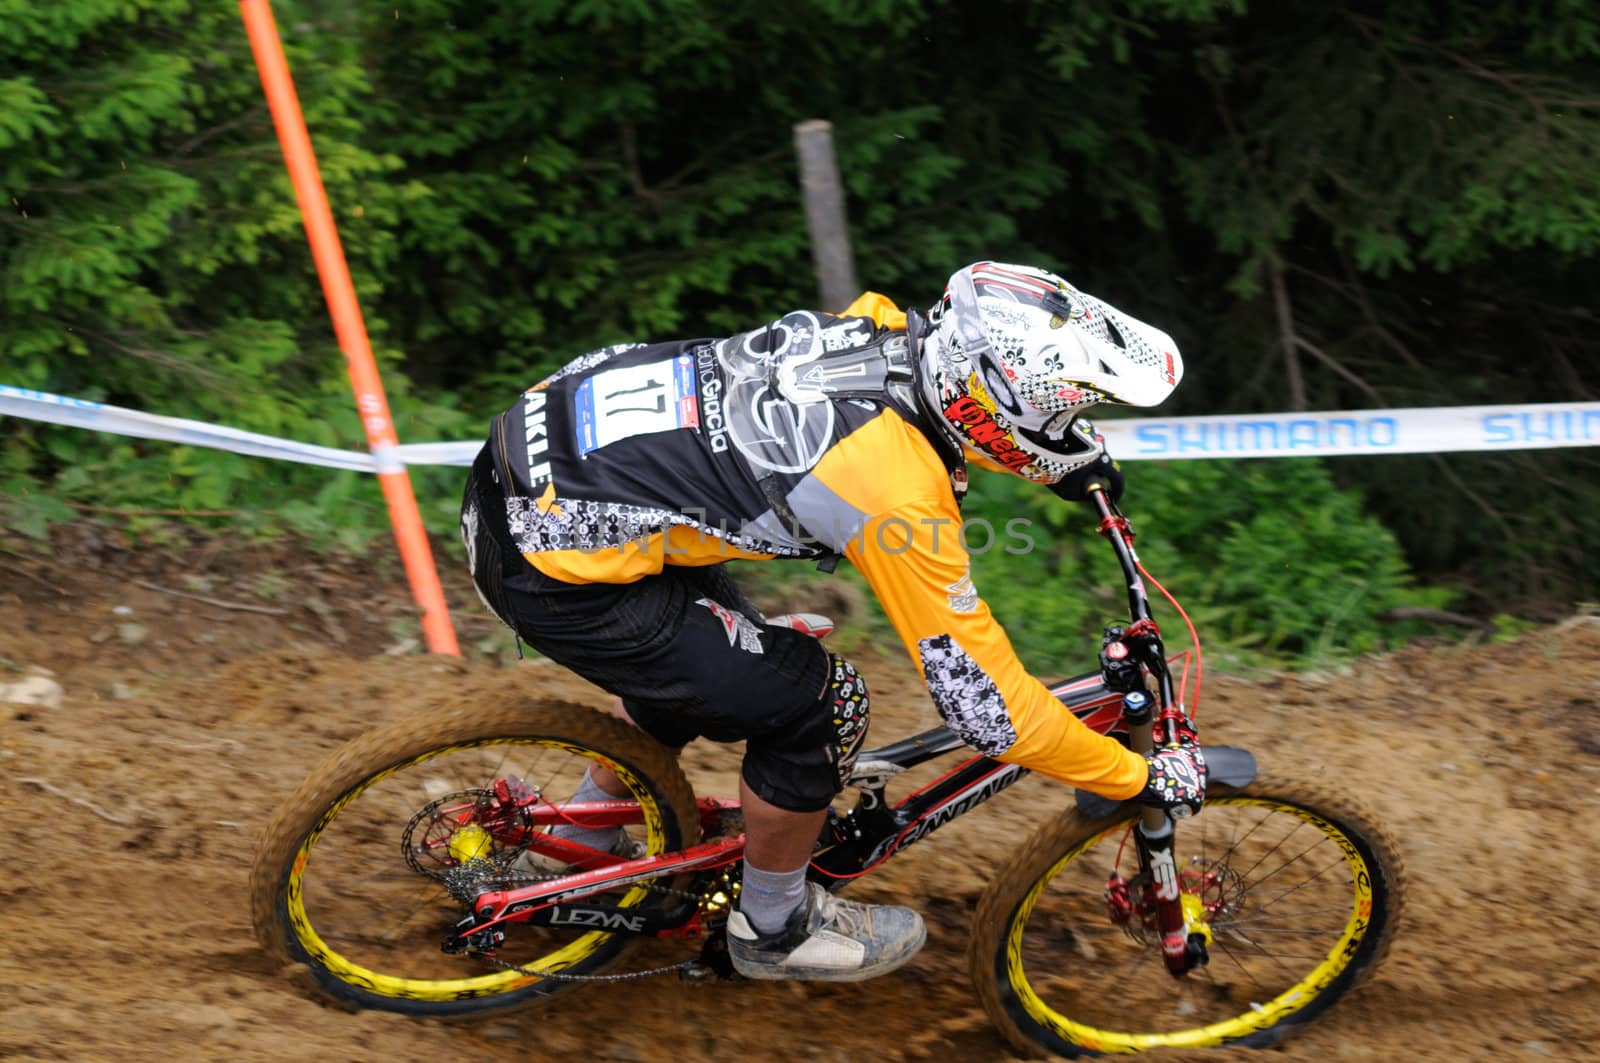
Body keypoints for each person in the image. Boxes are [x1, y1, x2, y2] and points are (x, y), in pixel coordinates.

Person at [459, 261, 1206, 983]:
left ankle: (589, 826)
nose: (1070, 425)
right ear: (998, 403)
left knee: (717, 652)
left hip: (532, 472)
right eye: (1064, 412)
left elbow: (962, 414)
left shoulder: (880, 327)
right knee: (818, 702)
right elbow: (989, 710)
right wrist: (1135, 774)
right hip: (550, 564)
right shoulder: (896, 495)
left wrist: (1060, 458)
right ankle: (773, 927)